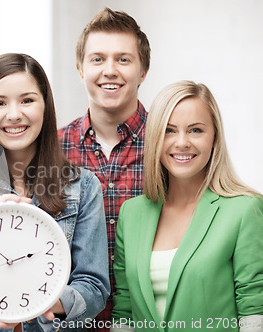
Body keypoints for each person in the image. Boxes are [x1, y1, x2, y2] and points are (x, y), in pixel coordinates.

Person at [0, 53, 110, 331]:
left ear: (45, 106)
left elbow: (94, 290)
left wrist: (31, 302)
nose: (14, 114)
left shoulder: (84, 186)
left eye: (27, 100)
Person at [111, 81, 263, 331]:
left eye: (195, 130)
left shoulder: (246, 210)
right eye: (169, 130)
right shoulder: (132, 213)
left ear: (214, 137)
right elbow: (124, 309)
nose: (182, 142)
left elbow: (254, 310)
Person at [57, 7, 150, 331]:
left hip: (148, 319)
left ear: (143, 70)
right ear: (81, 69)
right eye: (97, 59)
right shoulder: (52, 150)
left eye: (123, 59)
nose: (109, 70)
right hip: (71, 323)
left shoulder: (168, 148)